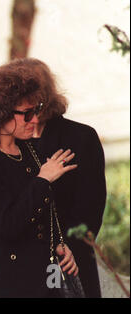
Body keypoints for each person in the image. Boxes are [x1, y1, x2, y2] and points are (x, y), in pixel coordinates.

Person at [0, 62, 80, 297]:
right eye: (26, 114)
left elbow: (43, 214)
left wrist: (59, 244)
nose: (34, 119)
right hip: (6, 283)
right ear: (0, 113)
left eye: (35, 110)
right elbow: (7, 225)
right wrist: (43, 179)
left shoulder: (29, 150)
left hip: (44, 280)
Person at [8, 58, 106, 297]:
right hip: (24, 261)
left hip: (70, 258)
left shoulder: (81, 137)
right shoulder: (11, 142)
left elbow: (91, 206)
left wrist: (68, 247)